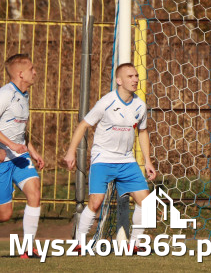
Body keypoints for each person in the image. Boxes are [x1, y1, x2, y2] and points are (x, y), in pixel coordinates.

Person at [63, 63, 157, 251]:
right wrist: (71, 151)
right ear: (119, 80)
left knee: (146, 203)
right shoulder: (107, 102)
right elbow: (83, 125)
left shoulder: (140, 105)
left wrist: (148, 160)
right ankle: (79, 244)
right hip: (103, 159)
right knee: (95, 202)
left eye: (136, 76)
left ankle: (135, 244)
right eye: (130, 76)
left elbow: (143, 132)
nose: (135, 79)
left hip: (126, 160)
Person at [0, 54, 45, 258]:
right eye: (31, 69)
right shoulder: (6, 94)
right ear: (20, 73)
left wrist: (32, 151)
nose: (35, 72)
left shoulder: (24, 95)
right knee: (5, 214)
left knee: (34, 191)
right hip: (3, 158)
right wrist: (9, 145)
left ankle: (28, 249)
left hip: (19, 158)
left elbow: (18, 130)